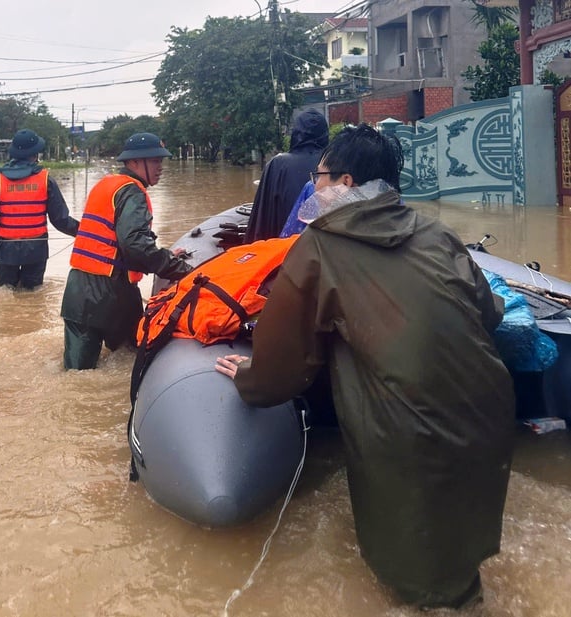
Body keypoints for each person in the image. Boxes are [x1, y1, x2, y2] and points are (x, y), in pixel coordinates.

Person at [215, 124, 515, 609]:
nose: (313, 188)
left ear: (347, 183)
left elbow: (283, 367)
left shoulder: (319, 246)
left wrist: (248, 379)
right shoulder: (437, 233)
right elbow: (487, 313)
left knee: (415, 582)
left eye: (320, 177)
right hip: (490, 413)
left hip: (408, 431)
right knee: (462, 559)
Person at [61, 132, 193, 370]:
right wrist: (181, 270)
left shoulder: (107, 184)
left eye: (160, 161)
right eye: (154, 161)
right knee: (131, 361)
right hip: (112, 293)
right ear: (134, 162)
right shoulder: (133, 192)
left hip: (77, 292)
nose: (160, 167)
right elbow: (135, 246)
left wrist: (166, 255)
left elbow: (119, 241)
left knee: (76, 373)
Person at [0, 129, 79, 289]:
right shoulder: (46, 181)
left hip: (5, 248)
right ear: (35, 154)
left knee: (6, 292)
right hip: (36, 249)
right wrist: (83, 232)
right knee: (33, 294)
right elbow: (60, 219)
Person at [243, 109, 329, 243]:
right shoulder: (337, 166)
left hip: (283, 251)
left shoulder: (278, 164)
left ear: (296, 133)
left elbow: (261, 219)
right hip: (324, 249)